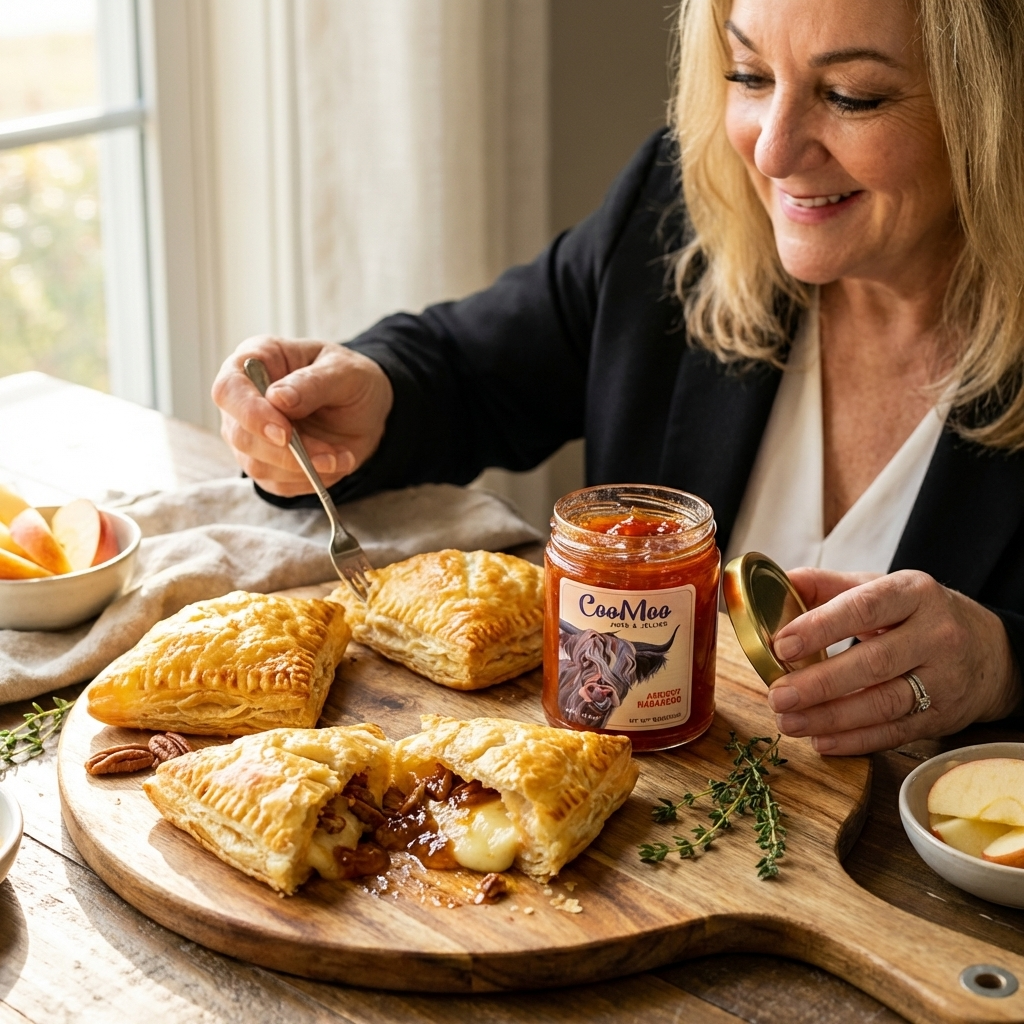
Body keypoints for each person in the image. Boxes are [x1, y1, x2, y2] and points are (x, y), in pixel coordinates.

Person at [212, 0, 1024, 755]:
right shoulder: (675, 205)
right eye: (747, 76)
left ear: (994, 101)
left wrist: (1004, 668)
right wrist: (369, 398)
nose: (773, 150)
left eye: (851, 96)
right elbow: (466, 368)